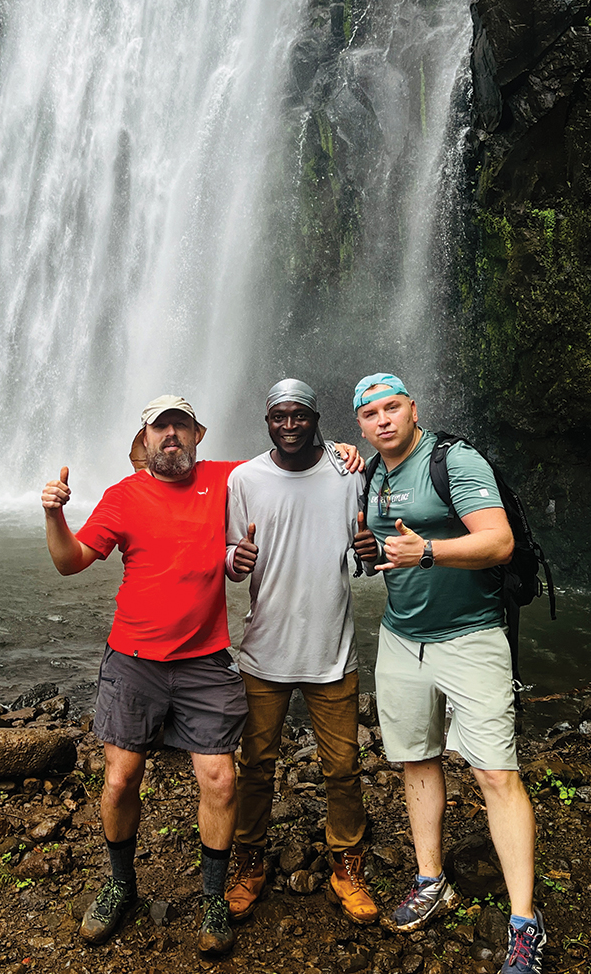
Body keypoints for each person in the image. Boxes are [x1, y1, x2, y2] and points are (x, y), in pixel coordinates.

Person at [351, 373, 546, 974]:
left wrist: (429, 551)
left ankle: (523, 922)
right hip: (402, 638)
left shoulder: (452, 460)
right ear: (359, 425)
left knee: (494, 771)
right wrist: (373, 550)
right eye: (369, 414)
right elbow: (391, 546)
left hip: (472, 637)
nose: (383, 420)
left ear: (413, 409)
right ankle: (430, 877)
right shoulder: (371, 475)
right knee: (417, 757)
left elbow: (499, 541)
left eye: (392, 407)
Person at [41, 395, 248, 956]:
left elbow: (287, 465)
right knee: (118, 779)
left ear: (198, 435)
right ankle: (120, 884)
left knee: (221, 780)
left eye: (182, 425)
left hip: (205, 661)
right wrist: (54, 513)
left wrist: (341, 453)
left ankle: (210, 898)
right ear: (146, 440)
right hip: (133, 660)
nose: (172, 436)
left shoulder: (227, 478)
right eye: (162, 428)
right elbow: (70, 561)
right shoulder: (123, 496)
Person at [223, 378, 378, 926]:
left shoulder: (347, 473)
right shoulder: (244, 478)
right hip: (263, 648)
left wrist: (371, 551)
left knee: (343, 767)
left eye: (300, 416)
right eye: (278, 416)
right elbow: (226, 545)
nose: (289, 425)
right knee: (255, 766)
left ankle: (347, 866)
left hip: (330, 649)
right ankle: (248, 863)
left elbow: (367, 547)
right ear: (267, 421)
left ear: (316, 419)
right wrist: (230, 560)